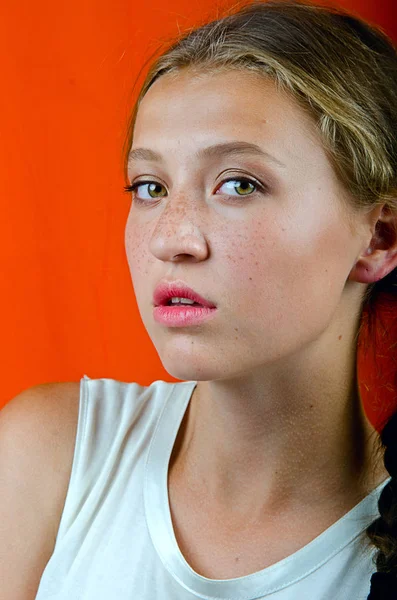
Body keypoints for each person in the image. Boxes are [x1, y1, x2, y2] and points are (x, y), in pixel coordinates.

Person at [1, 0, 397, 598]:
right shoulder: (51, 455)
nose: (169, 237)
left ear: (378, 237)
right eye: (150, 187)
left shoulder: (384, 558)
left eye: (239, 184)